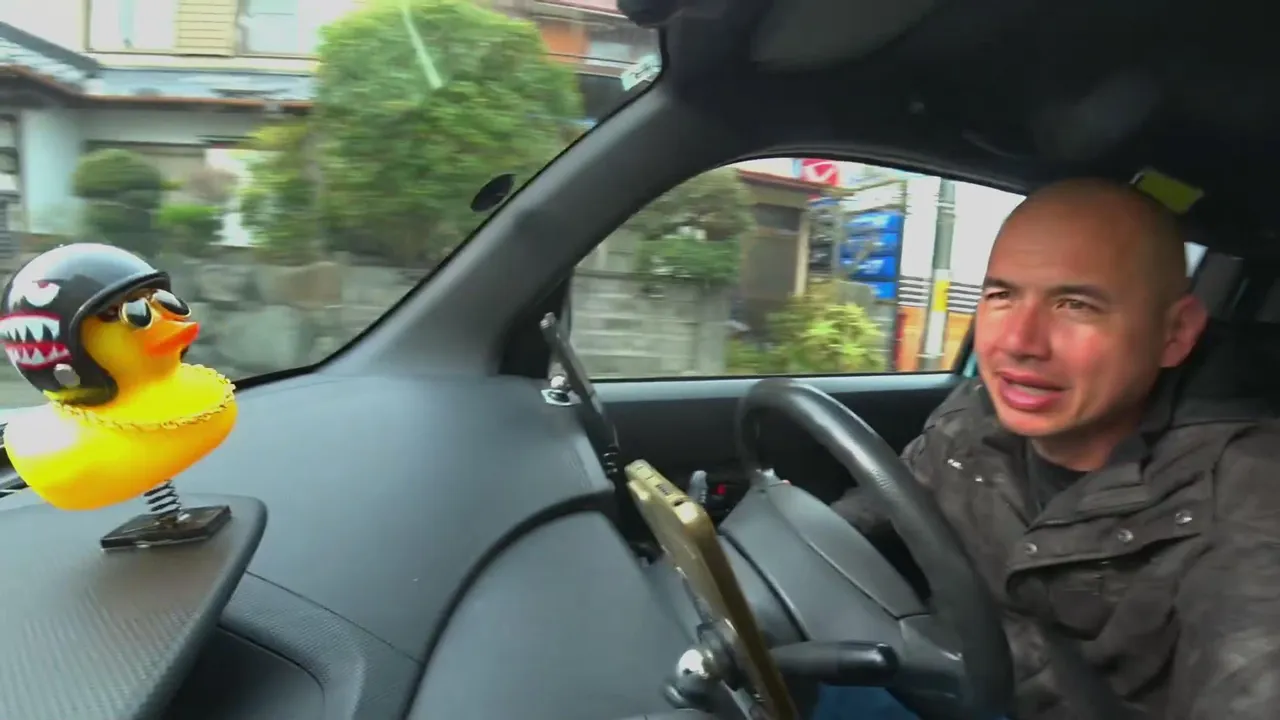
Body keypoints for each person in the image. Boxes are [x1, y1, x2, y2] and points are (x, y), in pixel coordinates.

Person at [826, 178, 1280, 720]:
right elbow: (881, 509)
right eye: (1001, 295)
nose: (1019, 342)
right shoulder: (974, 415)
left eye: (1075, 304)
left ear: (1175, 333)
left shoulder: (1250, 489)